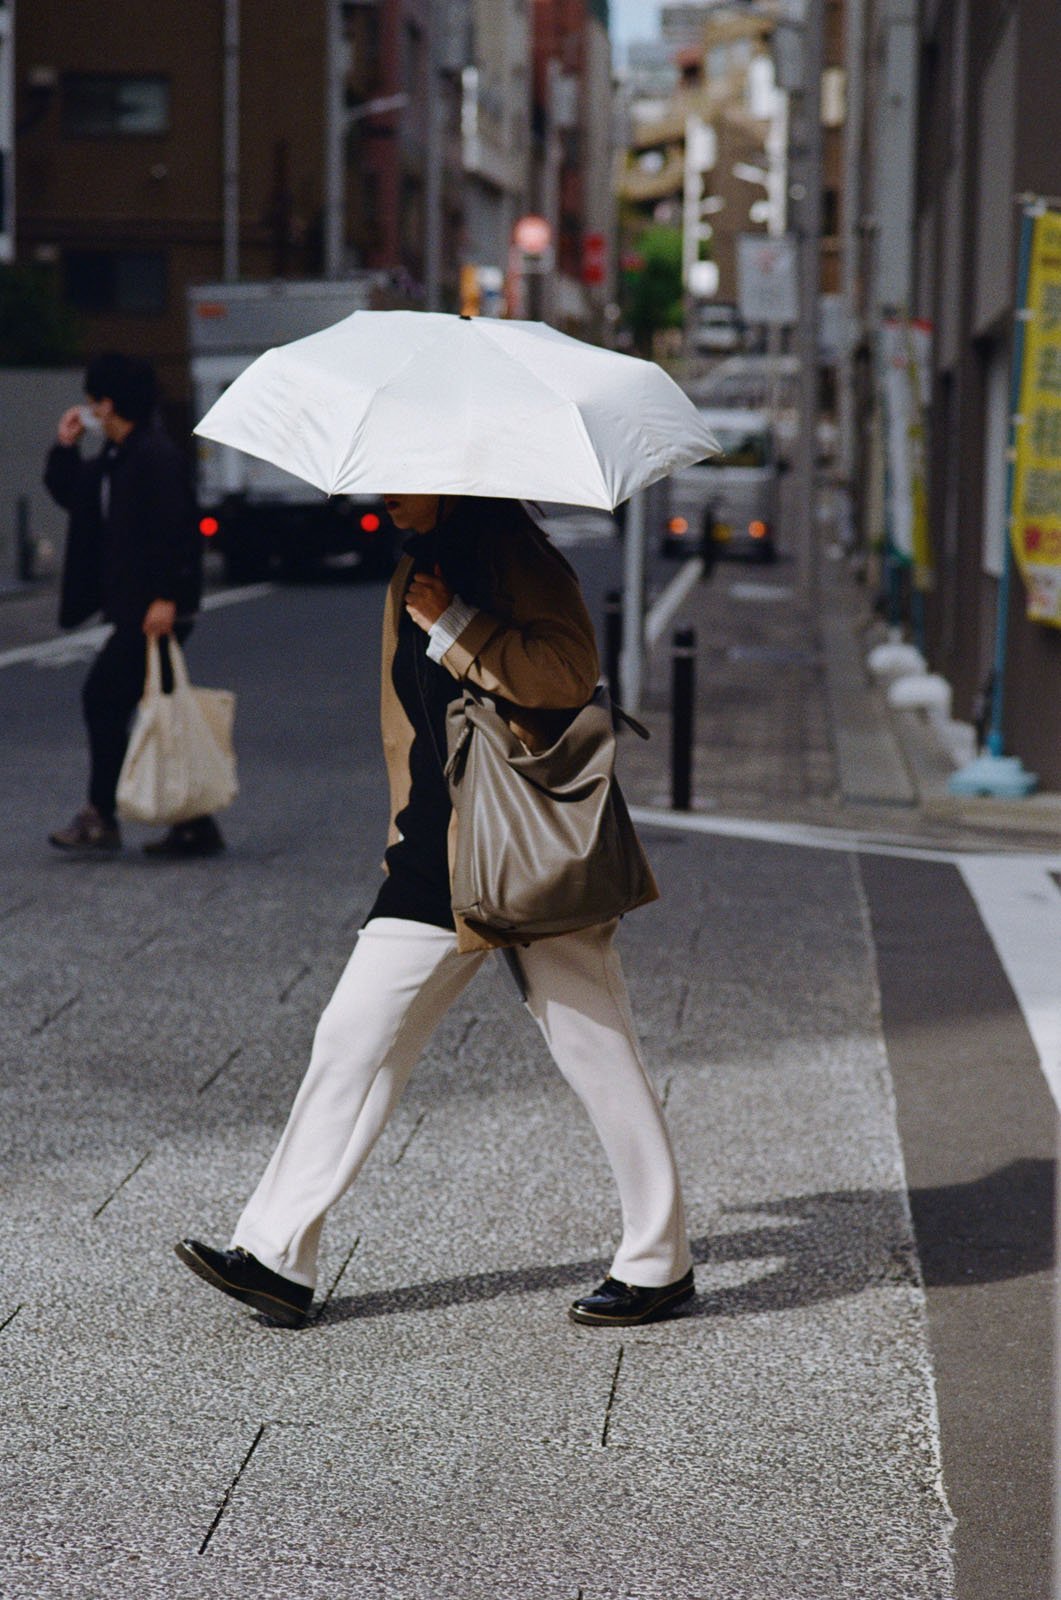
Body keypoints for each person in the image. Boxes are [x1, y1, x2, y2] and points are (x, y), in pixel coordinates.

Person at [176, 495, 693, 1328]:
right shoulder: (415, 562)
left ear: (450, 475)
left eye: (400, 474)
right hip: (436, 850)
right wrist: (399, 834)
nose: (383, 490)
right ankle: (276, 1254)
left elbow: (566, 671)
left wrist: (456, 624)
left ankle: (658, 1261)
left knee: (593, 1047)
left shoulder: (513, 556)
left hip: (523, 845)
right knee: (356, 1038)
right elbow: (413, 724)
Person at [44, 352, 224, 859]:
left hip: (157, 613)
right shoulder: (117, 457)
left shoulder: (154, 457)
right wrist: (65, 446)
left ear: (109, 402)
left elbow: (178, 533)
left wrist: (167, 596)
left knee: (104, 700)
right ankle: (192, 821)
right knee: (155, 709)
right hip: (135, 610)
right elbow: (72, 493)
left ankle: (104, 816)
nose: (90, 410)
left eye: (93, 401)